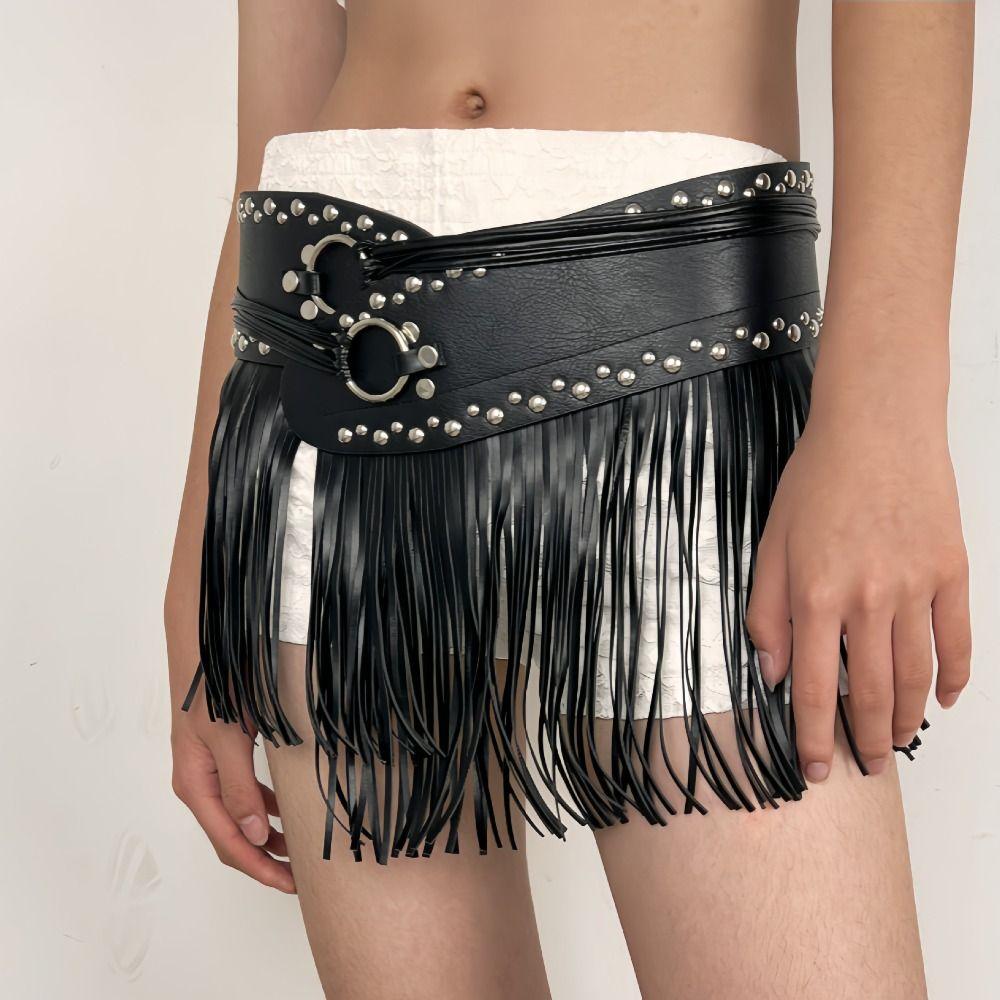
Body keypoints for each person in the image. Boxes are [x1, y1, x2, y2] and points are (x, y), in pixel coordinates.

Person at [164, 2, 974, 997]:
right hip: (330, 390)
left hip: (683, 376)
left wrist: (886, 422)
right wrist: (206, 539)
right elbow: (275, 113)